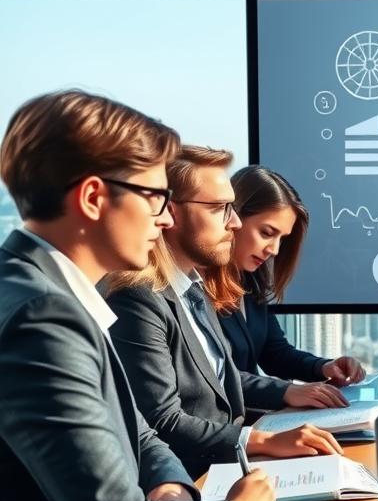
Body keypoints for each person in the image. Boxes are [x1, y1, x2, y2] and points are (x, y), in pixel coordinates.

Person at [0, 92, 275, 501]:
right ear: (95, 198)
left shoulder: (55, 292)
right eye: (155, 197)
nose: (165, 217)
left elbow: (140, 429)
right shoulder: (41, 316)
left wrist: (173, 487)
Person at [105, 146, 343, 479]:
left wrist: (318, 372)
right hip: (196, 476)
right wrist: (264, 439)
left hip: (231, 462)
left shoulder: (194, 289)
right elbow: (162, 421)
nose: (234, 222)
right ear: (170, 213)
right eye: (220, 208)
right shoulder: (138, 298)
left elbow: (226, 379)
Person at [204, 164, 365, 412]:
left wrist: (323, 367)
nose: (275, 250)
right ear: (233, 217)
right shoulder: (196, 288)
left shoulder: (250, 282)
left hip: (249, 418)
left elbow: (274, 352)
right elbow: (211, 375)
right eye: (267, 232)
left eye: (282, 238)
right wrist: (286, 391)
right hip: (221, 426)